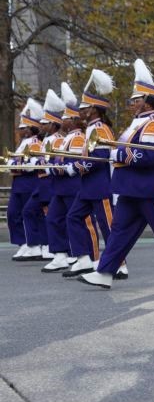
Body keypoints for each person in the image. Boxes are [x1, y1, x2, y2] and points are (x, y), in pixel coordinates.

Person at [78, 59, 154, 290]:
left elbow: (148, 157)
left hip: (150, 189)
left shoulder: (152, 124)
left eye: (135, 100)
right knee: (119, 231)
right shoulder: (137, 123)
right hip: (131, 188)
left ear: (148, 103)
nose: (131, 104)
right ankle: (105, 272)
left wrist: (118, 155)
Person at [63, 73, 128, 279]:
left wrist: (78, 167)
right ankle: (83, 259)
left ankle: (120, 264)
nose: (80, 111)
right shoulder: (91, 128)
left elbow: (101, 157)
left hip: (101, 185)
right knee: (73, 217)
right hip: (88, 186)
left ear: (93, 109)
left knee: (109, 226)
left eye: (84, 108)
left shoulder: (101, 129)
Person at [41, 89, 82, 273]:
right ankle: (60, 255)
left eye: (66, 118)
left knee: (73, 220)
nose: (62, 121)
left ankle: (79, 254)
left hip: (72, 186)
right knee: (53, 218)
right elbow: (59, 160)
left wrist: (53, 168)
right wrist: (51, 166)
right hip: (61, 187)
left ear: (73, 120)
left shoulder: (79, 137)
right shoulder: (67, 138)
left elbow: (73, 163)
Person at [8, 99, 43, 261]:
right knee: (13, 213)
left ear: (30, 129)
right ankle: (22, 242)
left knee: (29, 213)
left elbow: (30, 165)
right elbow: (12, 162)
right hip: (18, 183)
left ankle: (33, 243)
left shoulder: (35, 142)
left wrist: (17, 164)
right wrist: (15, 164)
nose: (20, 131)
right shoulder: (23, 143)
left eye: (22, 128)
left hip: (30, 182)